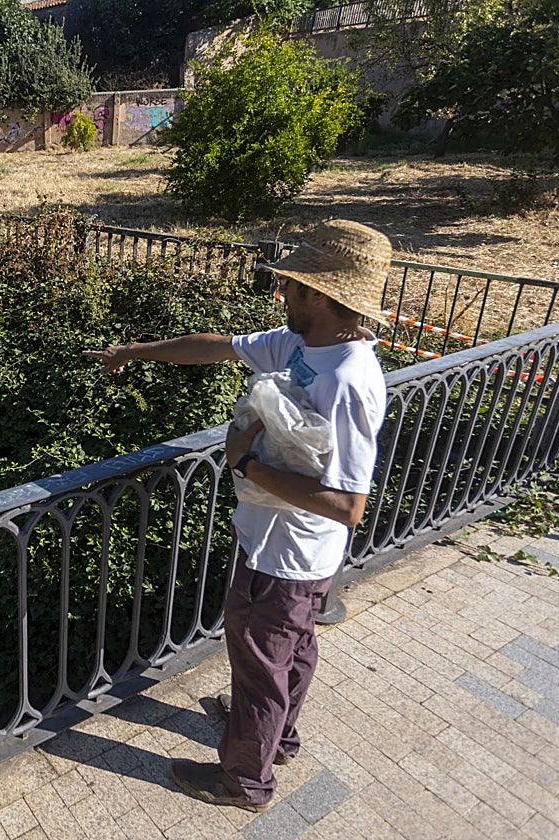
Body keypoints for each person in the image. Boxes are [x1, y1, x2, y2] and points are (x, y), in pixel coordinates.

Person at [83, 219, 391, 812]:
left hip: (291, 555)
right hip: (280, 546)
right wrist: (134, 351)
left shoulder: (349, 380)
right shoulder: (306, 345)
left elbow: (349, 506)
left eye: (296, 288)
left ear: (326, 297)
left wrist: (245, 463)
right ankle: (279, 738)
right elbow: (216, 345)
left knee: (260, 662)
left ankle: (244, 783)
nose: (285, 294)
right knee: (291, 650)